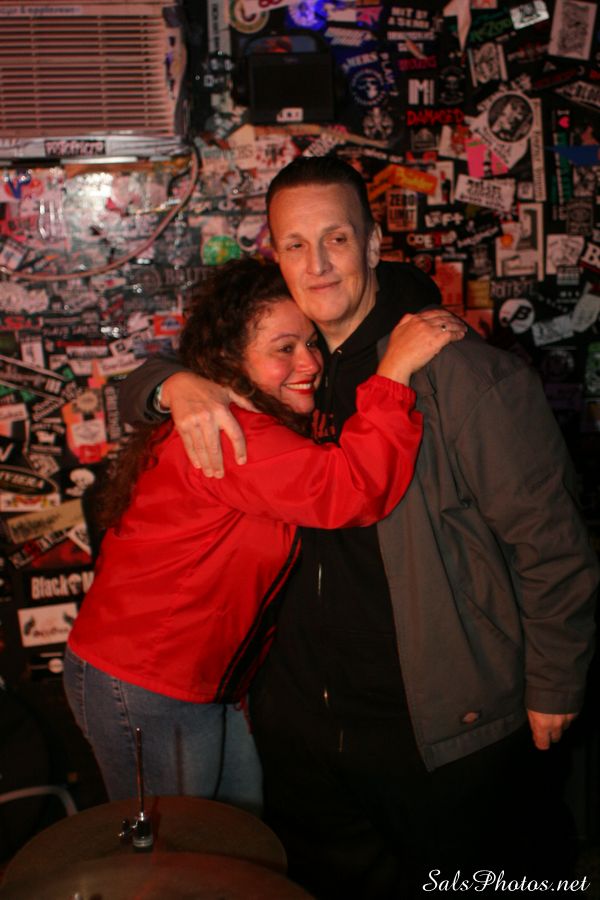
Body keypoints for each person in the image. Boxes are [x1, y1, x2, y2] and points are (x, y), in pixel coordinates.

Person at [119, 157, 598, 896]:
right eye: (295, 245)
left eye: (336, 239)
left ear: (373, 243)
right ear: (276, 255)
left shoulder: (463, 374)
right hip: (300, 737)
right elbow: (150, 379)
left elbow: (552, 545)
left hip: (438, 730)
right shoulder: (278, 371)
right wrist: (171, 384)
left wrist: (556, 684)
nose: (317, 265)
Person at [64, 256, 463, 816]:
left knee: (234, 838)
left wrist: (171, 380)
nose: (310, 362)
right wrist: (393, 373)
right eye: (284, 348)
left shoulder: (261, 418)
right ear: (231, 360)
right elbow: (352, 489)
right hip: (146, 685)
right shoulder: (232, 434)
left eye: (311, 343)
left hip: (196, 683)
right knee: (180, 851)